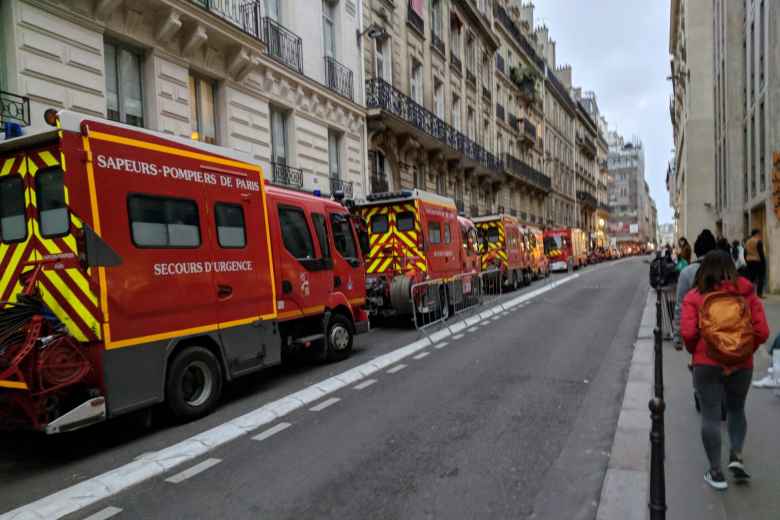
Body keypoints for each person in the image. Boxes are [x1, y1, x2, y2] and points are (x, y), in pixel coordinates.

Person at [680, 251, 769, 490]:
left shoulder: (694, 296)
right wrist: (744, 349)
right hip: (742, 364)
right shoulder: (747, 293)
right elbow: (762, 332)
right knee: (736, 409)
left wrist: (695, 352)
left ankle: (716, 472)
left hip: (706, 363)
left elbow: (688, 334)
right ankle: (736, 456)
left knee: (710, 415)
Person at [673, 229, 717, 348]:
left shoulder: (687, 272)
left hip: (698, 335)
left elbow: (679, 306)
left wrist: (677, 336)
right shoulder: (724, 269)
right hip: (723, 333)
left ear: (696, 251)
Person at [745, 229, 766, 298]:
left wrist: (746, 260)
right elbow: (761, 253)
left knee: (751, 278)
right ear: (756, 234)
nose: (760, 235)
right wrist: (763, 262)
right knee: (760, 278)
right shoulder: (758, 241)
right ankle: (759, 294)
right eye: (759, 234)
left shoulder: (747, 242)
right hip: (758, 261)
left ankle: (748, 293)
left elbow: (745, 253)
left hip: (749, 261)